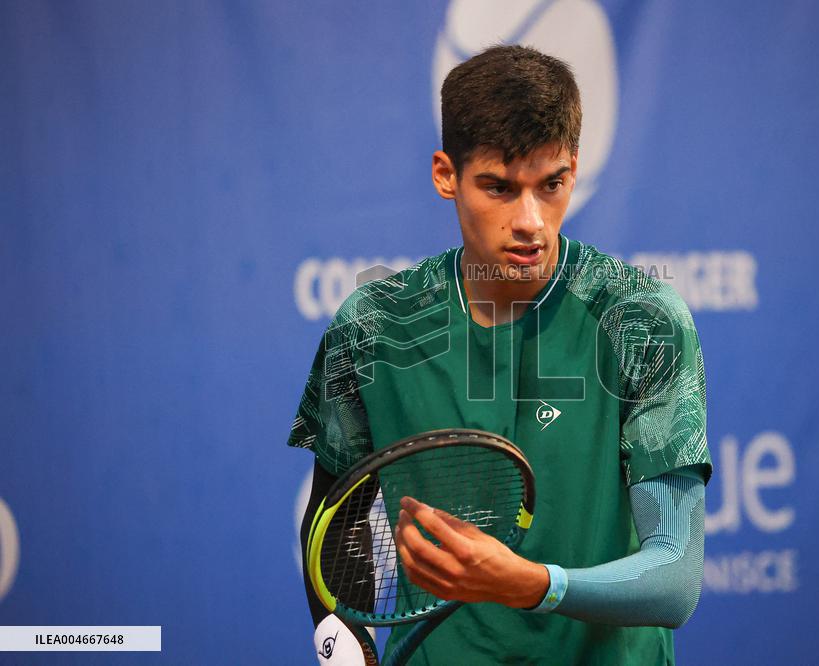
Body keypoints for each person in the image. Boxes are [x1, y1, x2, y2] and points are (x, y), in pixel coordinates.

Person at [289, 44, 711, 665]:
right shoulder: (374, 326)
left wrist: (532, 585)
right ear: (445, 175)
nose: (531, 221)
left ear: (574, 169)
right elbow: (334, 526)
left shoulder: (641, 320)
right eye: (499, 188)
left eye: (551, 184)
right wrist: (341, 643)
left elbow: (674, 578)